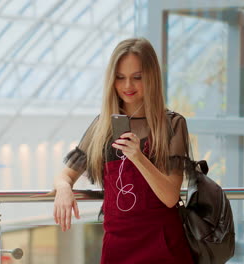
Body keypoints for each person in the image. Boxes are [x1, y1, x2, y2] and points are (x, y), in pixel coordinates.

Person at [52, 38, 194, 263]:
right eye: (120, 77)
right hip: (117, 246)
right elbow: (65, 175)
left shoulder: (172, 124)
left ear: (152, 78)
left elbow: (170, 197)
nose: (128, 86)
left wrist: (138, 156)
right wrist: (63, 190)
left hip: (163, 244)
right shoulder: (102, 126)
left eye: (137, 77)